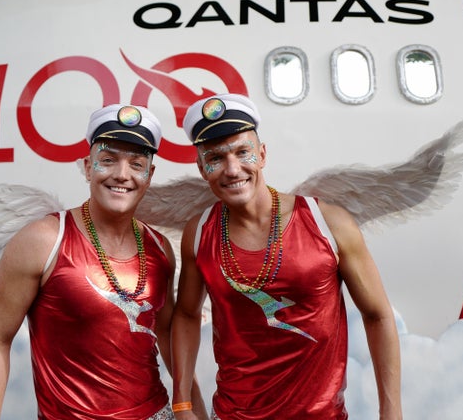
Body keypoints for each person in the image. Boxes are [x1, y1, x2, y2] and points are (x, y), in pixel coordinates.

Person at [170, 94, 402, 419]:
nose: (232, 169)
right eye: (216, 158)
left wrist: (391, 412)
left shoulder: (327, 222)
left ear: (262, 155)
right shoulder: (200, 233)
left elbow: (378, 315)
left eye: (242, 152)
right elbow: (186, 315)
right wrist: (182, 401)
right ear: (201, 168)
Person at [0, 104, 207, 419]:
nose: (122, 174)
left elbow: (168, 339)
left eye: (136, 164)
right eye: (108, 160)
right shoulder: (43, 240)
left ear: (149, 175)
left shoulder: (160, 248)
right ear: (87, 167)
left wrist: (192, 411)